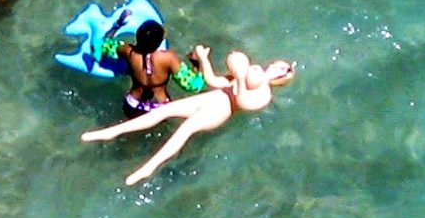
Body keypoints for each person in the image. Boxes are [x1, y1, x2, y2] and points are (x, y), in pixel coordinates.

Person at [79, 46, 294, 187]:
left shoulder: (264, 93)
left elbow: (245, 103)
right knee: (163, 110)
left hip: (220, 110)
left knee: (185, 130)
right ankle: (111, 132)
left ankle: (148, 167)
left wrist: (239, 76)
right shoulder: (253, 70)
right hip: (213, 97)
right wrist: (204, 59)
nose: (278, 65)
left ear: (281, 77)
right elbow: (215, 81)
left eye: (283, 69)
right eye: (281, 63)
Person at [114, 19, 183, 114]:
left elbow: (102, 46)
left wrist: (117, 25)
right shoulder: (168, 58)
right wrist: (198, 63)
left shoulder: (128, 51)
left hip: (133, 104)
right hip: (160, 107)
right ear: (160, 41)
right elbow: (191, 85)